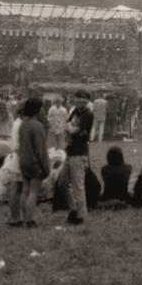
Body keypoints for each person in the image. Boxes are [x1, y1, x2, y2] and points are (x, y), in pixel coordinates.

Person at [16, 98, 50, 227]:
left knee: (25, 190)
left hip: (23, 160)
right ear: (37, 110)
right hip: (35, 163)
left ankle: (24, 217)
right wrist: (45, 167)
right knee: (33, 192)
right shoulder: (37, 126)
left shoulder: (23, 124)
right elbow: (40, 149)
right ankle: (29, 220)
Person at [63, 90, 94, 225]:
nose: (81, 100)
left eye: (84, 98)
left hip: (79, 152)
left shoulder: (88, 114)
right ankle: (73, 210)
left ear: (88, 100)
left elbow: (72, 130)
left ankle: (80, 216)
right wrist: (70, 127)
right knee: (64, 183)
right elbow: (66, 125)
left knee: (78, 184)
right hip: (69, 151)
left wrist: (70, 127)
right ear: (74, 99)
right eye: (79, 97)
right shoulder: (75, 111)